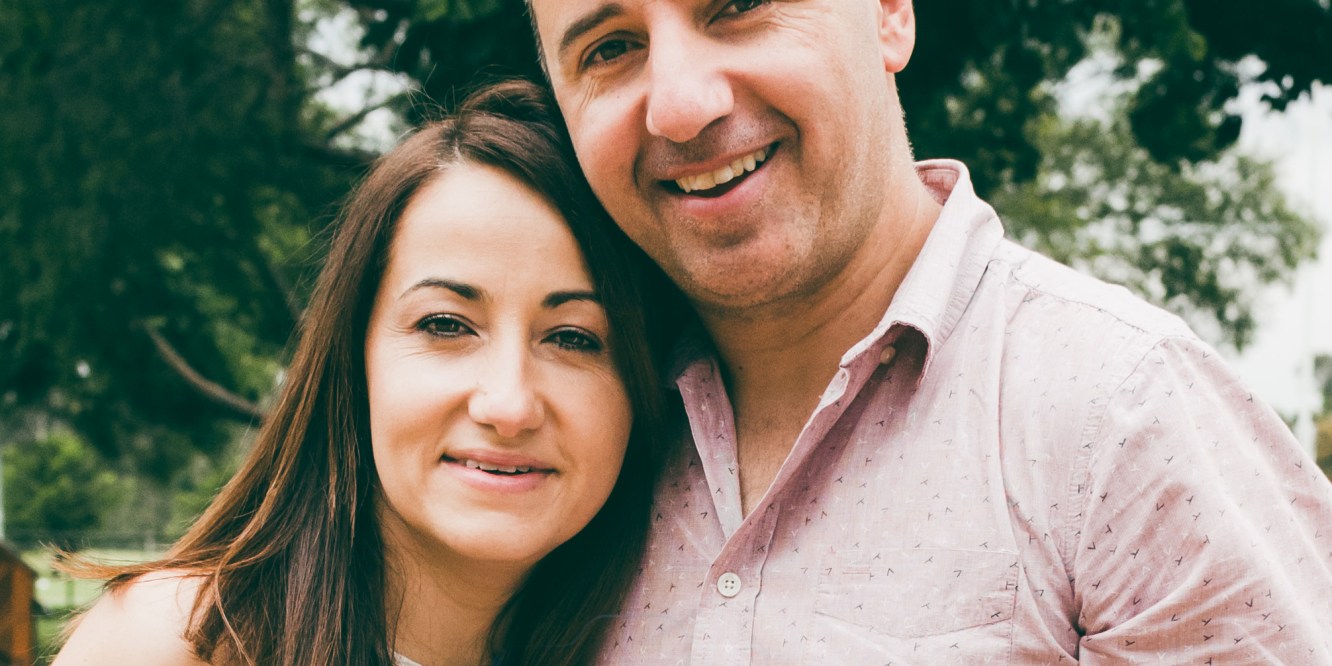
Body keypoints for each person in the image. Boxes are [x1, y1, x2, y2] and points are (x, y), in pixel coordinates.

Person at [525, 0, 1332, 662]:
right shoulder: (548, 448)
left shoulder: (1122, 417)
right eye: (609, 48)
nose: (679, 103)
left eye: (739, 7)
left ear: (889, 14)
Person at [53, 79, 678, 666]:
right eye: (445, 325)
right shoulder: (172, 644)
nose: (508, 404)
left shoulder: (671, 641)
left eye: (573, 337)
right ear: (355, 359)